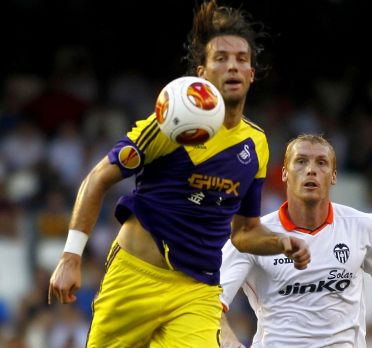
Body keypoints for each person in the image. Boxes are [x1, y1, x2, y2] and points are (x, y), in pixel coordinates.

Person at [48, 1, 311, 347]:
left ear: (251, 73)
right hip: (133, 278)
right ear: (202, 73)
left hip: (196, 290)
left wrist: (280, 242)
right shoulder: (171, 122)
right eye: (221, 58)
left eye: (241, 59)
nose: (232, 66)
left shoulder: (257, 145)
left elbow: (245, 232)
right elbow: (98, 178)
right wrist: (70, 256)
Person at [220, 134, 372, 348]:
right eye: (301, 161)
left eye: (321, 163)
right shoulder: (251, 236)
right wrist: (230, 340)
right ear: (285, 173)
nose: (311, 169)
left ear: (333, 176)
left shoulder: (362, 226)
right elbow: (209, 302)